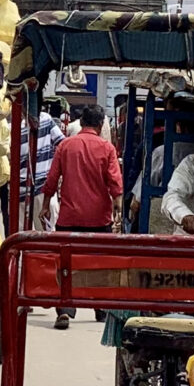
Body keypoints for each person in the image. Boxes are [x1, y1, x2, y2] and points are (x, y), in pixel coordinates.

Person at [48, 102, 124, 329]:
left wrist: (45, 203)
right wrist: (118, 204)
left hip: (69, 217)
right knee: (99, 264)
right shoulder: (107, 148)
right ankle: (100, 308)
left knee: (65, 265)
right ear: (101, 125)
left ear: (81, 122)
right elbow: (115, 182)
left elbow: (52, 178)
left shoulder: (66, 146)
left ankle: (64, 309)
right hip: (99, 219)